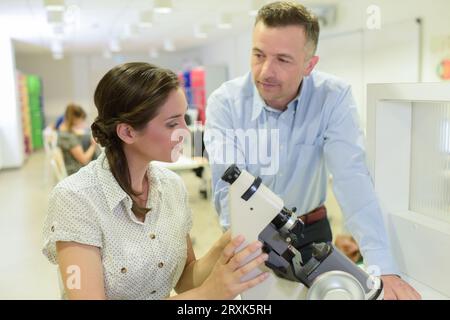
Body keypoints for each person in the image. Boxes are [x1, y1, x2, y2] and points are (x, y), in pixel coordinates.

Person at [204, 1, 421, 300]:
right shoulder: (225, 103)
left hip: (310, 234)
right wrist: (246, 251)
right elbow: (226, 190)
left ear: (309, 64)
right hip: (248, 236)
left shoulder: (333, 97)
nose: (266, 70)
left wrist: (382, 266)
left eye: (283, 59)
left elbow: (351, 178)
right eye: (258, 55)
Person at [42, 62, 269, 300]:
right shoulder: (76, 198)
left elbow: (185, 281)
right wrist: (208, 294)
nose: (185, 131)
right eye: (172, 123)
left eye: (184, 119)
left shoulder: (171, 186)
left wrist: (230, 242)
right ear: (127, 132)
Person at [57, 103, 98, 175]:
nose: (82, 122)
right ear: (75, 119)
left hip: (72, 167)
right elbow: (84, 160)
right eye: (81, 120)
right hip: (76, 171)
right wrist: (93, 145)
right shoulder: (69, 137)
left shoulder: (62, 130)